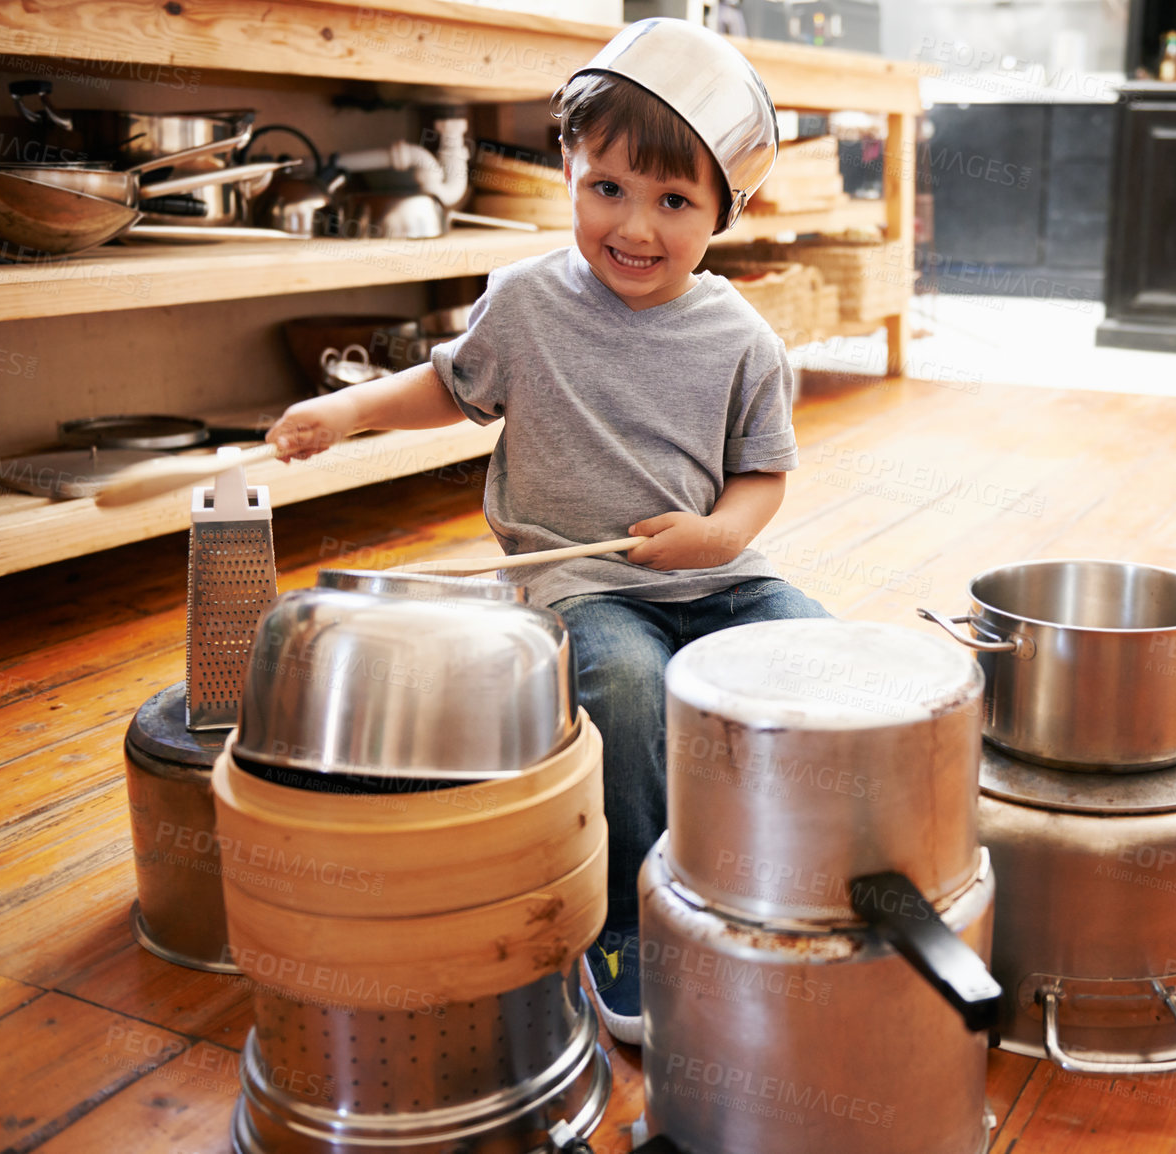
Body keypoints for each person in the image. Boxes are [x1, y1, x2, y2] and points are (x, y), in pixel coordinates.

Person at [265, 19, 828, 1045]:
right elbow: (447, 386)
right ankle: (627, 921)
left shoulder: (742, 337)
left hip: (716, 573)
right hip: (583, 585)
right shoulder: (525, 303)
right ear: (568, 165)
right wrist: (345, 412)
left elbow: (761, 479)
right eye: (606, 188)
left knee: (818, 656)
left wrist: (715, 535)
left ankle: (790, 873)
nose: (636, 227)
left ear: (722, 212)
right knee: (620, 682)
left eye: (673, 202)